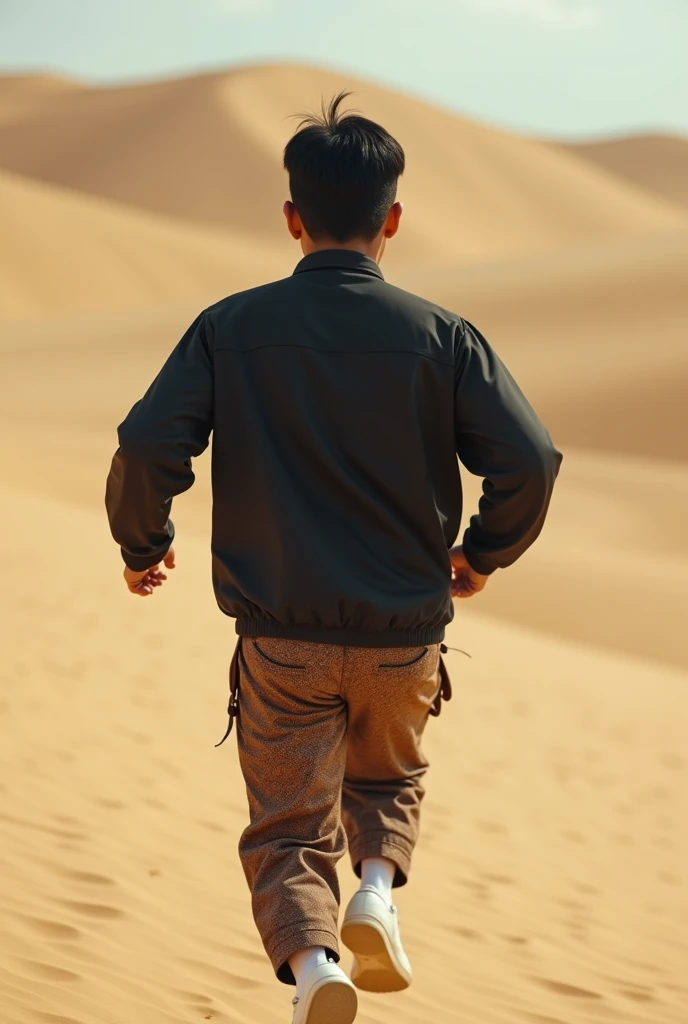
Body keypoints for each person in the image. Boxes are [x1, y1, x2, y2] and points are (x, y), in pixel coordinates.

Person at [105, 92, 562, 1024]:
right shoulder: (443, 336)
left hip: (282, 637)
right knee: (389, 777)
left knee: (286, 820)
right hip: (406, 634)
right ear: (393, 219)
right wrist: (481, 555)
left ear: (290, 218)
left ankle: (317, 971)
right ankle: (378, 896)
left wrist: (142, 543)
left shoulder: (229, 326)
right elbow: (531, 458)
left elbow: (150, 446)